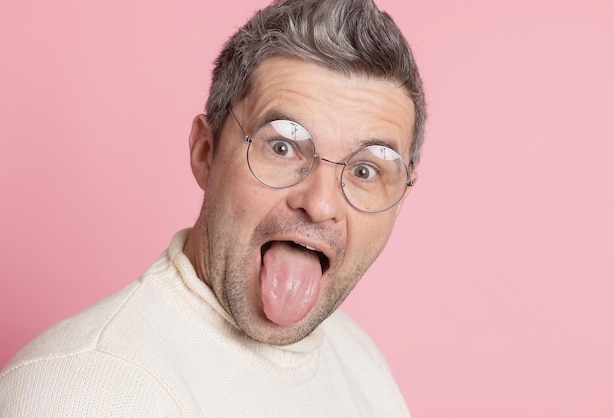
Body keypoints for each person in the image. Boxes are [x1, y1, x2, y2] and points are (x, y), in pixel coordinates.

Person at [0, 0, 426, 415]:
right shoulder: (86, 389)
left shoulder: (360, 360)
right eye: (282, 146)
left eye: (367, 171)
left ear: (400, 202)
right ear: (206, 152)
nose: (319, 204)